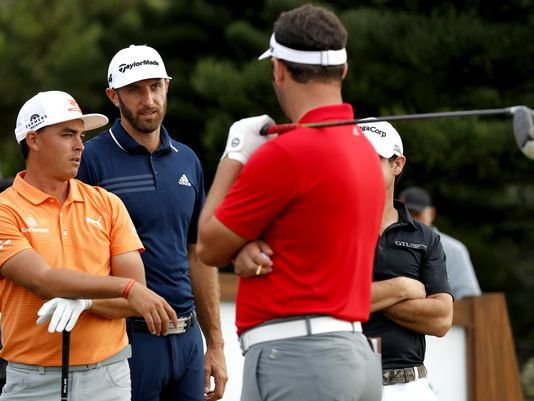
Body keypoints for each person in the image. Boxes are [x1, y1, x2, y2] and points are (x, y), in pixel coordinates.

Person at [197, 4, 385, 401]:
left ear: (279, 69)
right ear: (344, 70)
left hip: (300, 360)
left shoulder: (285, 155)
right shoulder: (365, 150)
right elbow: (299, 235)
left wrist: (235, 155)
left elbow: (209, 245)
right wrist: (244, 250)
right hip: (354, 357)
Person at [0, 90, 178, 401]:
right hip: (32, 381)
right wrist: (122, 288)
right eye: (67, 134)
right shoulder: (5, 209)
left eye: (81, 135)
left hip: (110, 374)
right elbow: (42, 281)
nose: (80, 145)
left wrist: (86, 303)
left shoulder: (106, 204)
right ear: (34, 140)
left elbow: (138, 296)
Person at [77, 44, 227, 401]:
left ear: (167, 87)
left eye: (155, 86)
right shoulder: (89, 161)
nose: (148, 99)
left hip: (188, 340)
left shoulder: (187, 161)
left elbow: (198, 255)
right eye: (135, 90)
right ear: (113, 96)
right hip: (126, 339)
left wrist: (216, 345)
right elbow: (76, 262)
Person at [358, 119, 454, 400]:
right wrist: (402, 287)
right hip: (344, 379)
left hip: (410, 385)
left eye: (371, 158)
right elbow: (329, 301)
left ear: (397, 164)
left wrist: (368, 297)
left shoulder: (426, 237)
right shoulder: (332, 227)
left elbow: (441, 319)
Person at [399, 186, 482, 300]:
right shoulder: (387, 244)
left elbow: (469, 298)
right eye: (405, 214)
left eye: (416, 213)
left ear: (431, 214)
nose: (410, 220)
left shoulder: (454, 249)